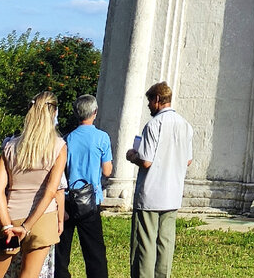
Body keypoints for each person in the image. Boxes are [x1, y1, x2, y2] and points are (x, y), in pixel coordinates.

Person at [0, 92, 68, 278]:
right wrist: (28, 226)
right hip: (42, 218)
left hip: (11, 215)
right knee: (29, 274)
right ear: (54, 113)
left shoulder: (10, 146)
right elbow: (51, 192)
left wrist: (7, 226)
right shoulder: (59, 146)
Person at [125, 82, 193, 278]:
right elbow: (188, 159)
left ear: (157, 100)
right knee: (165, 242)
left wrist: (132, 156)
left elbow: (146, 161)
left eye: (149, 101)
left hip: (151, 193)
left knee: (144, 243)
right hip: (172, 193)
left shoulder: (154, 124)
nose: (148, 106)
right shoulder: (185, 125)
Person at [56, 95, 113, 278]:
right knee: (94, 250)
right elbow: (106, 171)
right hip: (90, 198)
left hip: (67, 198)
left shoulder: (67, 139)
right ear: (94, 112)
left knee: (62, 249)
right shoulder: (102, 137)